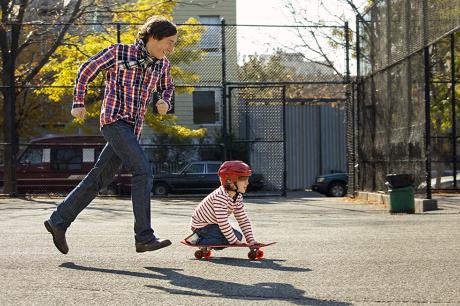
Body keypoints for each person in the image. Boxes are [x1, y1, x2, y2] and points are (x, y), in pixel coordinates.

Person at [44, 16, 177, 254]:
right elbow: (86, 69)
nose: (171, 48)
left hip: (132, 129)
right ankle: (144, 237)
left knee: (99, 179)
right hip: (114, 121)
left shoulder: (162, 65)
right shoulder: (119, 52)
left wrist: (164, 101)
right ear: (154, 37)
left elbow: (167, 87)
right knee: (143, 171)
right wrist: (78, 102)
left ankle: (59, 221)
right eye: (169, 42)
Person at [185, 161, 259, 247]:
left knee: (238, 236)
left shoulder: (237, 197)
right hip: (201, 226)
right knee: (230, 239)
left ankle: (207, 240)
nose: (247, 183)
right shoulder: (220, 196)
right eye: (243, 180)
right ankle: (196, 240)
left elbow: (243, 219)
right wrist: (234, 242)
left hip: (213, 224)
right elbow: (223, 222)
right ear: (230, 181)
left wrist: (251, 239)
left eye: (247, 179)